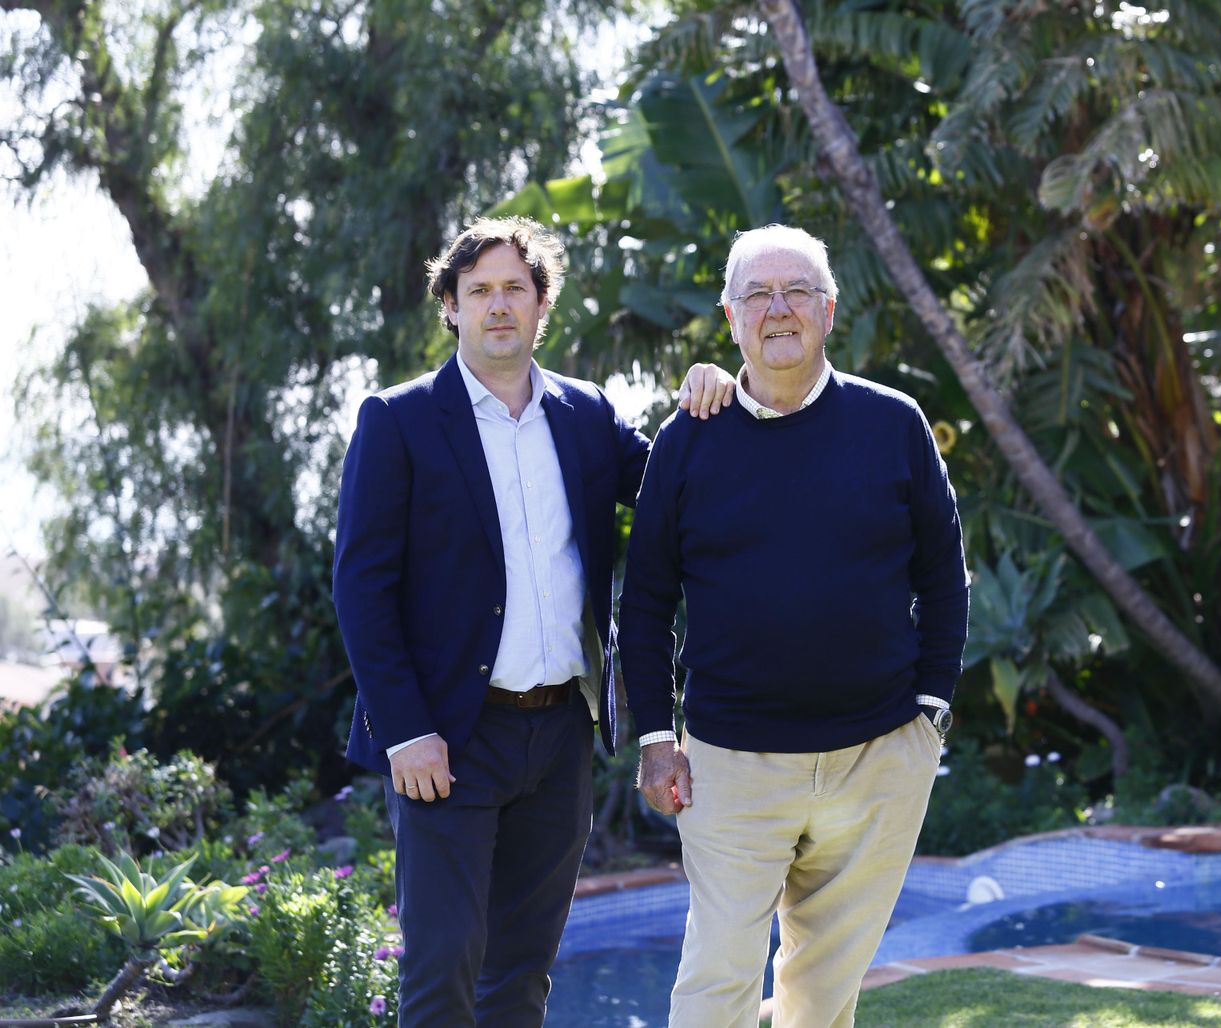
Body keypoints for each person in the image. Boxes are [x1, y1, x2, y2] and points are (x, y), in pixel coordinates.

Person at [332, 216, 732, 1027]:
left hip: (559, 740)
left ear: (542, 304)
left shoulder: (586, 414)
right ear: (451, 306)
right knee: (443, 966)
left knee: (523, 972)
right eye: (478, 290)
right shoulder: (398, 419)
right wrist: (405, 728)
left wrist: (711, 397)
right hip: (449, 738)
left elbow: (672, 492)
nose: (498, 305)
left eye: (516, 287)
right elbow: (360, 588)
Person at [619, 224, 969, 1027]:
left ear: (829, 309)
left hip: (878, 757)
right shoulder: (687, 440)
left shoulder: (896, 424)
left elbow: (944, 579)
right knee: (716, 986)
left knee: (822, 997)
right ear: (732, 317)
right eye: (757, 295)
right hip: (732, 766)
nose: (779, 309)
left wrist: (931, 713)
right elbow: (643, 603)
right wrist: (653, 738)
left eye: (797, 291)